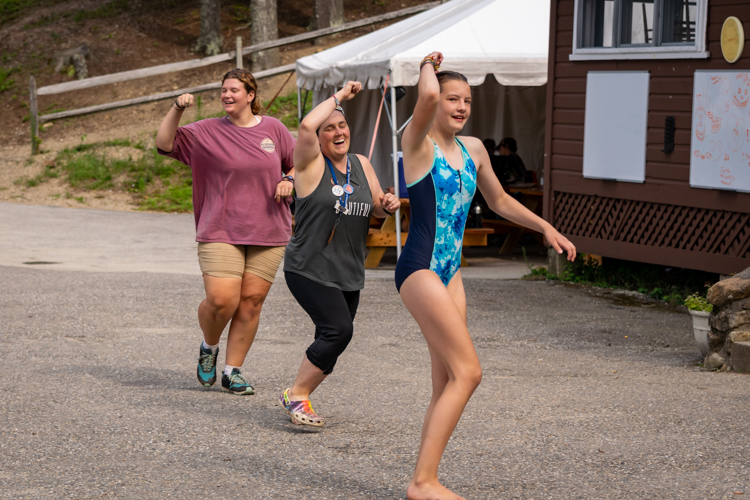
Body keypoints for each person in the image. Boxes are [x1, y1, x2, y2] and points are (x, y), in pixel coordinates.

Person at [395, 52, 576, 500]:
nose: (459, 106)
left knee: (446, 381)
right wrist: (426, 66)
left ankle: (426, 476)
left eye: (468, 101)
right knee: (469, 373)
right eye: (451, 99)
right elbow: (428, 93)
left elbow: (498, 201)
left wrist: (545, 225)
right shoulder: (418, 145)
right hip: (419, 268)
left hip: (450, 273)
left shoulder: (473, 149)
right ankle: (423, 484)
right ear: (434, 103)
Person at [155, 68, 295, 396]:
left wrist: (289, 179)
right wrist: (177, 107)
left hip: (269, 229)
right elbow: (164, 143)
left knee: (251, 302)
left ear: (250, 96)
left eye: (234, 90)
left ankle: (233, 371)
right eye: (223, 90)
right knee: (222, 300)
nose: (227, 95)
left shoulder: (274, 129)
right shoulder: (205, 132)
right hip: (220, 228)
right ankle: (209, 346)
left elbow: (297, 162)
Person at [278, 81, 400, 427]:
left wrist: (388, 205)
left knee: (332, 337)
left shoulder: (362, 163)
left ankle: (299, 395)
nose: (337, 132)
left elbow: (376, 207)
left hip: (348, 270)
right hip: (308, 267)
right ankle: (297, 395)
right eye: (328, 128)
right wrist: (340, 97)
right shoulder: (308, 163)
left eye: (342, 124)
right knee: (338, 330)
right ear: (317, 137)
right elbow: (304, 126)